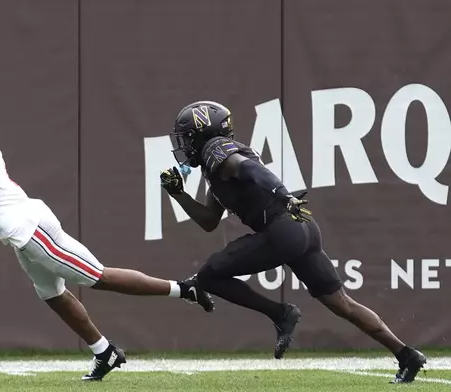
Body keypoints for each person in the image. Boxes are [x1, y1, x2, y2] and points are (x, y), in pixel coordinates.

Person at [0, 82, 214, 381]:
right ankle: (105, 352)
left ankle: (184, 289)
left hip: (30, 226)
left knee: (97, 277)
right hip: (17, 234)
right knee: (52, 295)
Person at [160, 100, 427, 384]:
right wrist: (180, 195)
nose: (185, 145)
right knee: (343, 305)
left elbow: (248, 168)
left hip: (282, 227)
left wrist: (283, 194)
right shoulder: (214, 167)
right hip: (301, 227)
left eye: (188, 137)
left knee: (209, 275)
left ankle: (281, 313)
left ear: (205, 132)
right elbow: (210, 221)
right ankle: (406, 354)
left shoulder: (217, 149)